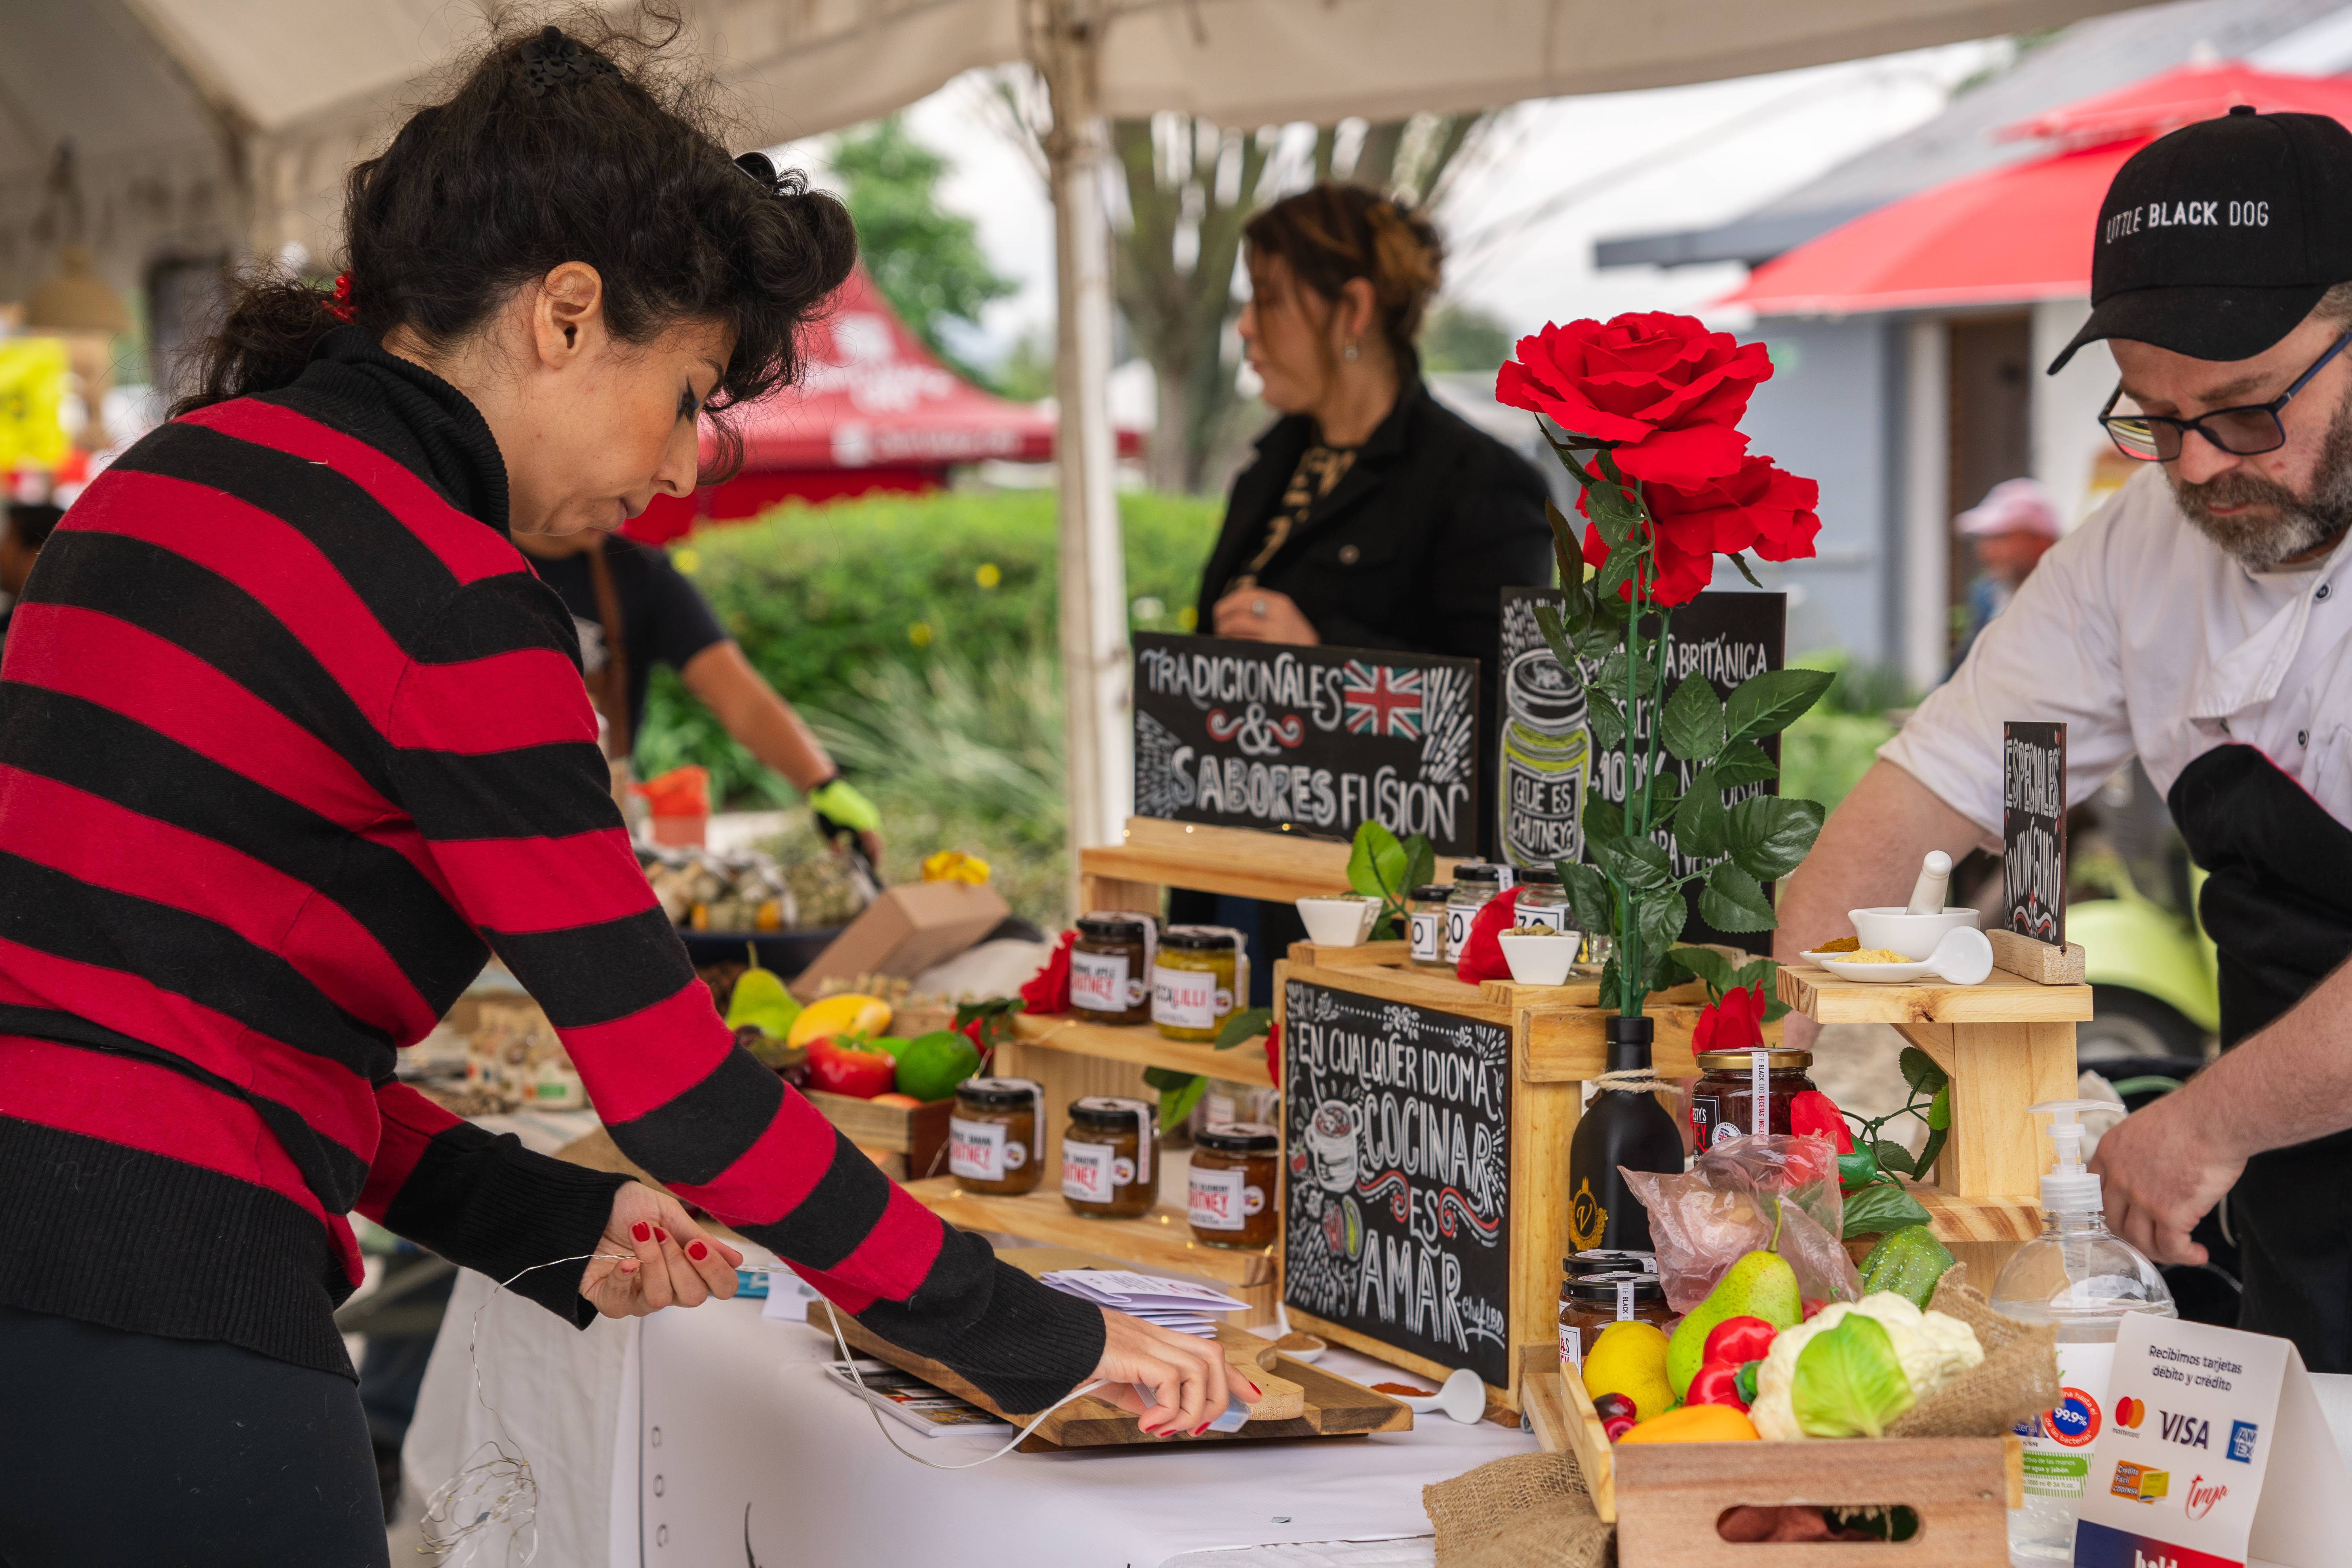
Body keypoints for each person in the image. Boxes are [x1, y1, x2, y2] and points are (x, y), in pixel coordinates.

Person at [0, 24, 1249, 1565]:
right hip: (163, 1311)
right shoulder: (455, 592)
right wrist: (1036, 1331)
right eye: (686, 395)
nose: (679, 469)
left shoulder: (160, 476)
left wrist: (542, 1216)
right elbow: (671, 1086)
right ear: (565, 314)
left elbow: (190, 1016)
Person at [1777, 106, 2352, 1370]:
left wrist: (2199, 1124)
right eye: (2149, 417)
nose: (2196, 467)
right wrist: (1769, 1063)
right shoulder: (2130, 553)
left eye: (2244, 410)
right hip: (2305, 1202)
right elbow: (1923, 793)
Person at [1183, 184, 1552, 985]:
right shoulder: (1269, 467)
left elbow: (1503, 708)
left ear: (1350, 308)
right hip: (1239, 864)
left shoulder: (1478, 481)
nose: (1244, 325)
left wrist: (1324, 659)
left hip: (1383, 909)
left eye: (1268, 298)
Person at [510, 527, 885, 865]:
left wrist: (822, 783)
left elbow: (745, 701)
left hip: (598, 832)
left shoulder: (640, 575)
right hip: (491, 825)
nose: (621, 504)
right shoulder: (466, 562)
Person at [1950, 477, 2060, 666]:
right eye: (1983, 539)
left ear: (2041, 541)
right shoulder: (1987, 597)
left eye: (2000, 538)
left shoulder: (2073, 603)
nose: (1985, 551)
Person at [0, 500, 61, 657]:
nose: (1, 553)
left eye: (8, 540)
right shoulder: (10, 622)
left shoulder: (52, 636)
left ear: (38, 554)